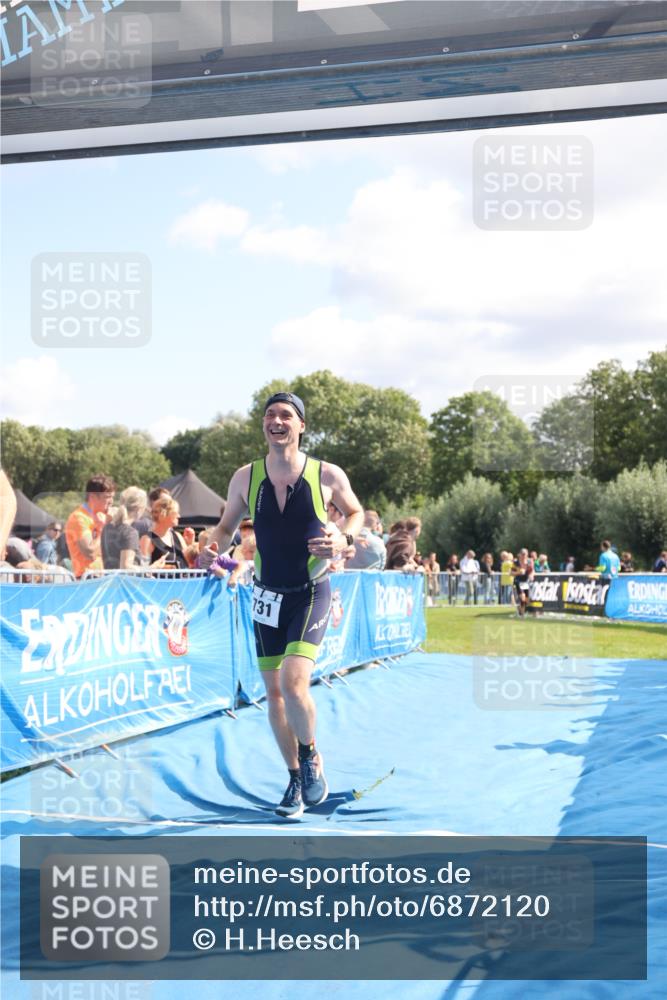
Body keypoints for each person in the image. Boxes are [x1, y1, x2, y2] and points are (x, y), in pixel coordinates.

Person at [201, 391, 363, 819]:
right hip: (266, 596)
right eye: (270, 414)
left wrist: (343, 538)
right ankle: (294, 778)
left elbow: (356, 513)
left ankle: (309, 755)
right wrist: (212, 547)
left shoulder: (326, 474)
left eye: (286, 415)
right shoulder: (245, 477)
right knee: (274, 696)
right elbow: (225, 527)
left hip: (310, 592)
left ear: (301, 425)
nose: (276, 420)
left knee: (293, 685)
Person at [65, 474, 115, 578]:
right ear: (92, 496)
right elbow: (90, 553)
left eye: (112, 497)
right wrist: (104, 527)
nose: (111, 502)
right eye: (107, 497)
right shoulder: (78, 518)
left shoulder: (103, 515)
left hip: (104, 576)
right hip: (87, 578)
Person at [149, 496, 189, 569]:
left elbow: (189, 561)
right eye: (175, 513)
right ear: (163, 514)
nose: (179, 516)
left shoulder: (177, 536)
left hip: (181, 577)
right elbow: (143, 569)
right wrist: (156, 567)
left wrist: (190, 543)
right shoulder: (148, 539)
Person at [102, 505, 140, 569]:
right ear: (138, 510)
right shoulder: (130, 532)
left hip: (109, 574)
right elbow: (125, 567)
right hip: (125, 575)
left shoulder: (106, 528)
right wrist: (150, 568)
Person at [512, 548, 534, 618]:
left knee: (526, 600)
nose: (524, 556)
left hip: (526, 582)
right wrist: (519, 572)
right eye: (523, 554)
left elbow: (532, 571)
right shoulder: (516, 563)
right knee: (522, 597)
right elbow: (511, 573)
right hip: (518, 582)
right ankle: (522, 614)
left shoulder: (529, 562)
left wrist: (531, 575)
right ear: (520, 555)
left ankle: (521, 612)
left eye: (525, 554)